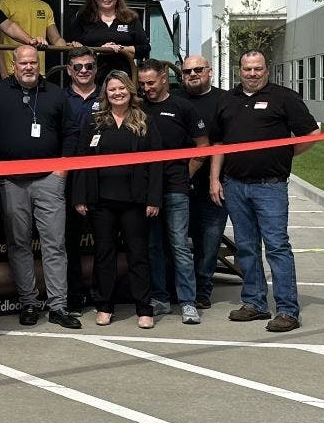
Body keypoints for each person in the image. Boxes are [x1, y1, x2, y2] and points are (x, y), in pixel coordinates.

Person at [210, 51, 321, 333]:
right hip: (235, 185)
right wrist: (215, 179)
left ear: (266, 70)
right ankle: (254, 303)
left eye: (257, 68)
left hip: (270, 187)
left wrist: (285, 154)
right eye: (247, 69)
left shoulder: (284, 97)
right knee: (246, 248)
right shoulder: (227, 100)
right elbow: (219, 144)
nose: (252, 73)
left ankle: (287, 310)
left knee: (277, 247)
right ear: (240, 70)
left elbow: (311, 134)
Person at [0, 45, 81, 329]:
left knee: (55, 244)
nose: (28, 67)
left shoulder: (56, 93)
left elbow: (71, 133)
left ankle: (58, 306)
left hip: (49, 179)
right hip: (10, 181)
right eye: (23, 63)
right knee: (18, 244)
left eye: (33, 63)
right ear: (14, 64)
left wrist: (61, 169)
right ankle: (28, 303)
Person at [73, 71, 164, 329]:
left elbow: (156, 164)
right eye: (112, 89)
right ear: (106, 94)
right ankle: (104, 306)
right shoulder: (94, 122)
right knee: (104, 255)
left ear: (130, 91)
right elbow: (82, 161)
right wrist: (80, 196)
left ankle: (144, 309)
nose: (117, 93)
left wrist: (153, 198)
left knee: (138, 255)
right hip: (101, 201)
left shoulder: (145, 120)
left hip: (136, 201)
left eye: (121, 88)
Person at [138, 59, 209, 324]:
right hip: (146, 192)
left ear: (164, 78)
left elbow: (203, 147)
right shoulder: (138, 108)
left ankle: (188, 302)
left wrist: (184, 175)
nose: (147, 89)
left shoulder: (183, 107)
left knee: (179, 246)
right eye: (143, 84)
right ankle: (160, 299)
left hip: (176, 189)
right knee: (154, 247)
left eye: (151, 83)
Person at [180, 55, 229, 309]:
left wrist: (215, 179)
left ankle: (202, 291)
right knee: (177, 242)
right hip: (178, 185)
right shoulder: (175, 98)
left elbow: (223, 142)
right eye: (187, 71)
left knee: (209, 243)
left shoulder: (224, 100)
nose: (193, 74)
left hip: (213, 185)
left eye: (198, 69)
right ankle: (180, 289)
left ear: (209, 71)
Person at [63, 46, 102, 312]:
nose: (84, 71)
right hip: (70, 178)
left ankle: (102, 297)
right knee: (70, 242)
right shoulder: (60, 98)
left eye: (89, 66)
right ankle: (74, 296)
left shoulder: (110, 95)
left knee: (105, 241)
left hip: (104, 177)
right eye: (78, 67)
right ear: (69, 70)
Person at [65, 0, 149, 81]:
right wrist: (100, 50)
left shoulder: (131, 18)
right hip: (91, 79)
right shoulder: (83, 19)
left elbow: (145, 48)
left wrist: (120, 49)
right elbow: (72, 48)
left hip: (124, 79)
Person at [0, 0, 66, 75]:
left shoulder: (45, 7)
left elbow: (56, 39)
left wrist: (70, 48)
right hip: (12, 73)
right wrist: (3, 73)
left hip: (38, 73)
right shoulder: (5, 4)